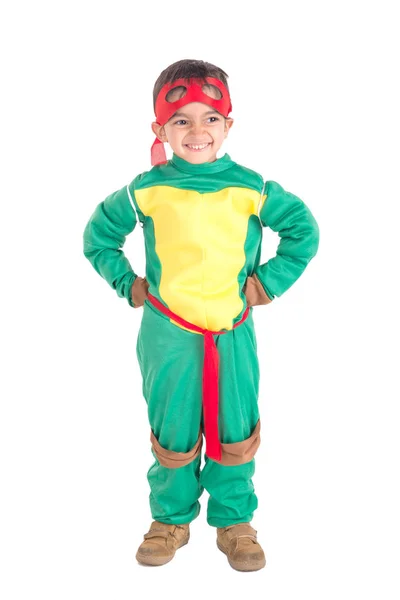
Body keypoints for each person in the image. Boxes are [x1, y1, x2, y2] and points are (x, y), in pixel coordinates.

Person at [83, 58, 320, 572]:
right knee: (173, 430)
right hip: (167, 334)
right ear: (160, 129)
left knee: (235, 425)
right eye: (181, 120)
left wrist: (265, 285)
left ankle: (235, 521)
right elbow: (99, 236)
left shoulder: (252, 187)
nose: (197, 131)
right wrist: (129, 284)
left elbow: (303, 231)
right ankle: (169, 519)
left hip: (232, 332)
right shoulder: (145, 189)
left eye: (210, 118)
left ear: (228, 125)